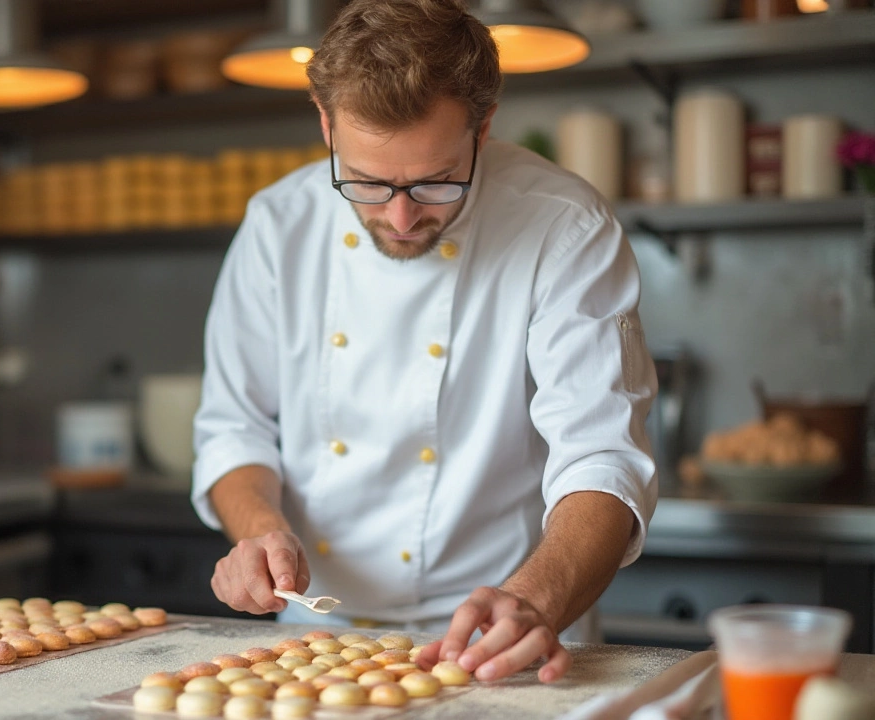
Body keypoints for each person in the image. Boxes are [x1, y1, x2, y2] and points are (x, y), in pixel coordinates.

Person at [191, 0, 657, 684]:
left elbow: (602, 452)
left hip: (507, 636)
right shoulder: (277, 228)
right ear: (326, 125)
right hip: (318, 638)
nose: (402, 216)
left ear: (483, 127)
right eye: (368, 182)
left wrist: (533, 600)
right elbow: (234, 429)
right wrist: (259, 529)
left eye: (436, 180)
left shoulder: (564, 226)